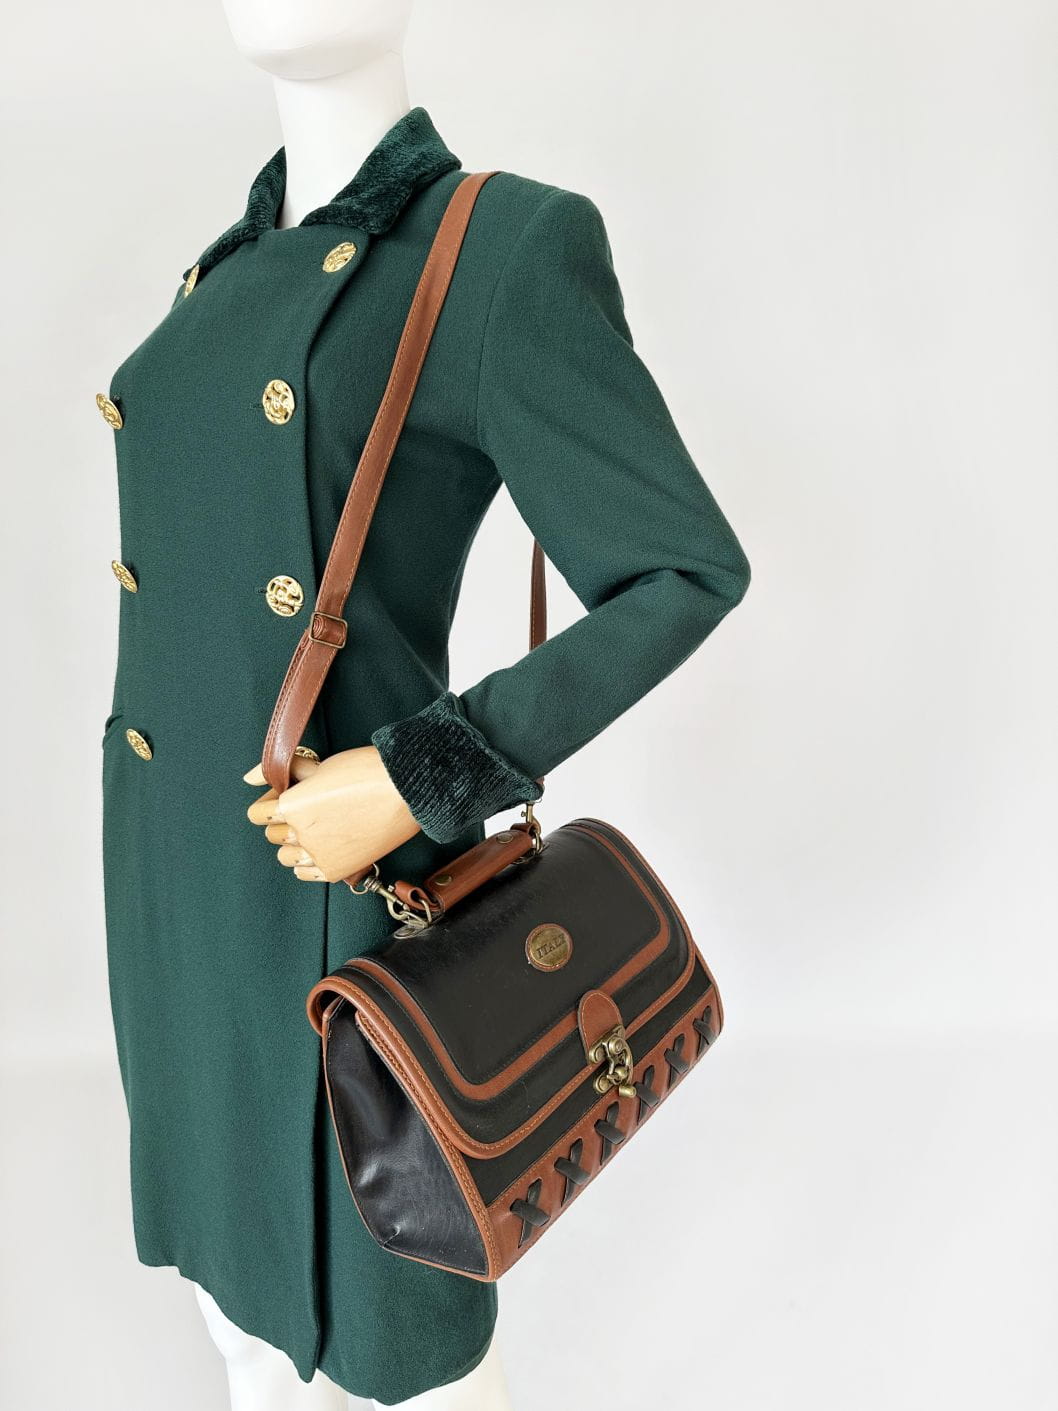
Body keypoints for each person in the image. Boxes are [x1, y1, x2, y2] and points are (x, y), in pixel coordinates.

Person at [97, 1, 751, 1405]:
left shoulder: (498, 248)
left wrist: (422, 773)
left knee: (387, 1350)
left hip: (339, 895)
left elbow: (682, 569)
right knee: (239, 1331)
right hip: (181, 893)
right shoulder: (220, 272)